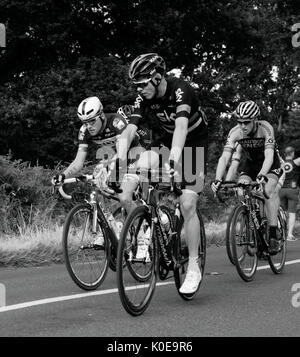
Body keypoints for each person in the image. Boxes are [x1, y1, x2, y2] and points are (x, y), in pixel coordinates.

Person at [111, 53, 208, 294]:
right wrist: (119, 158)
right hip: (167, 140)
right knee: (139, 165)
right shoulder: (143, 97)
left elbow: (182, 127)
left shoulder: (181, 90)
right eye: (136, 85)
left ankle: (194, 265)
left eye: (143, 84)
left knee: (187, 204)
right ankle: (156, 220)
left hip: (193, 143)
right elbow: (129, 130)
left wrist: (174, 161)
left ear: (157, 77)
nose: (139, 89)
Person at [51, 96, 149, 246]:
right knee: (97, 184)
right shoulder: (84, 131)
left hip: (133, 155)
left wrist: (111, 166)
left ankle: (143, 235)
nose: (88, 126)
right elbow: (78, 162)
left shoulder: (116, 122)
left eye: (92, 121)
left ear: (101, 115)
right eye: (85, 122)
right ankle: (110, 228)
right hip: (113, 158)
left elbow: (123, 150)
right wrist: (63, 175)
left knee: (124, 198)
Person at [211, 100, 284, 255]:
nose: (243, 126)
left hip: (269, 164)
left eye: (246, 122)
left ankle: (272, 234)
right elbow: (225, 158)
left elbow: (269, 156)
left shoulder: (265, 128)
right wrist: (218, 179)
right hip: (250, 165)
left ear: (255, 120)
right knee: (241, 188)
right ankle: (251, 221)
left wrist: (263, 175)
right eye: (240, 122)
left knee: (267, 191)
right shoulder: (235, 132)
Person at [279, 146, 300, 241]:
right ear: (293, 153)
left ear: (284, 154)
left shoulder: (280, 164)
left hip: (281, 190)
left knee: (281, 212)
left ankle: (280, 233)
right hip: (292, 190)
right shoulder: (296, 162)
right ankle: (289, 235)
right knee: (291, 213)